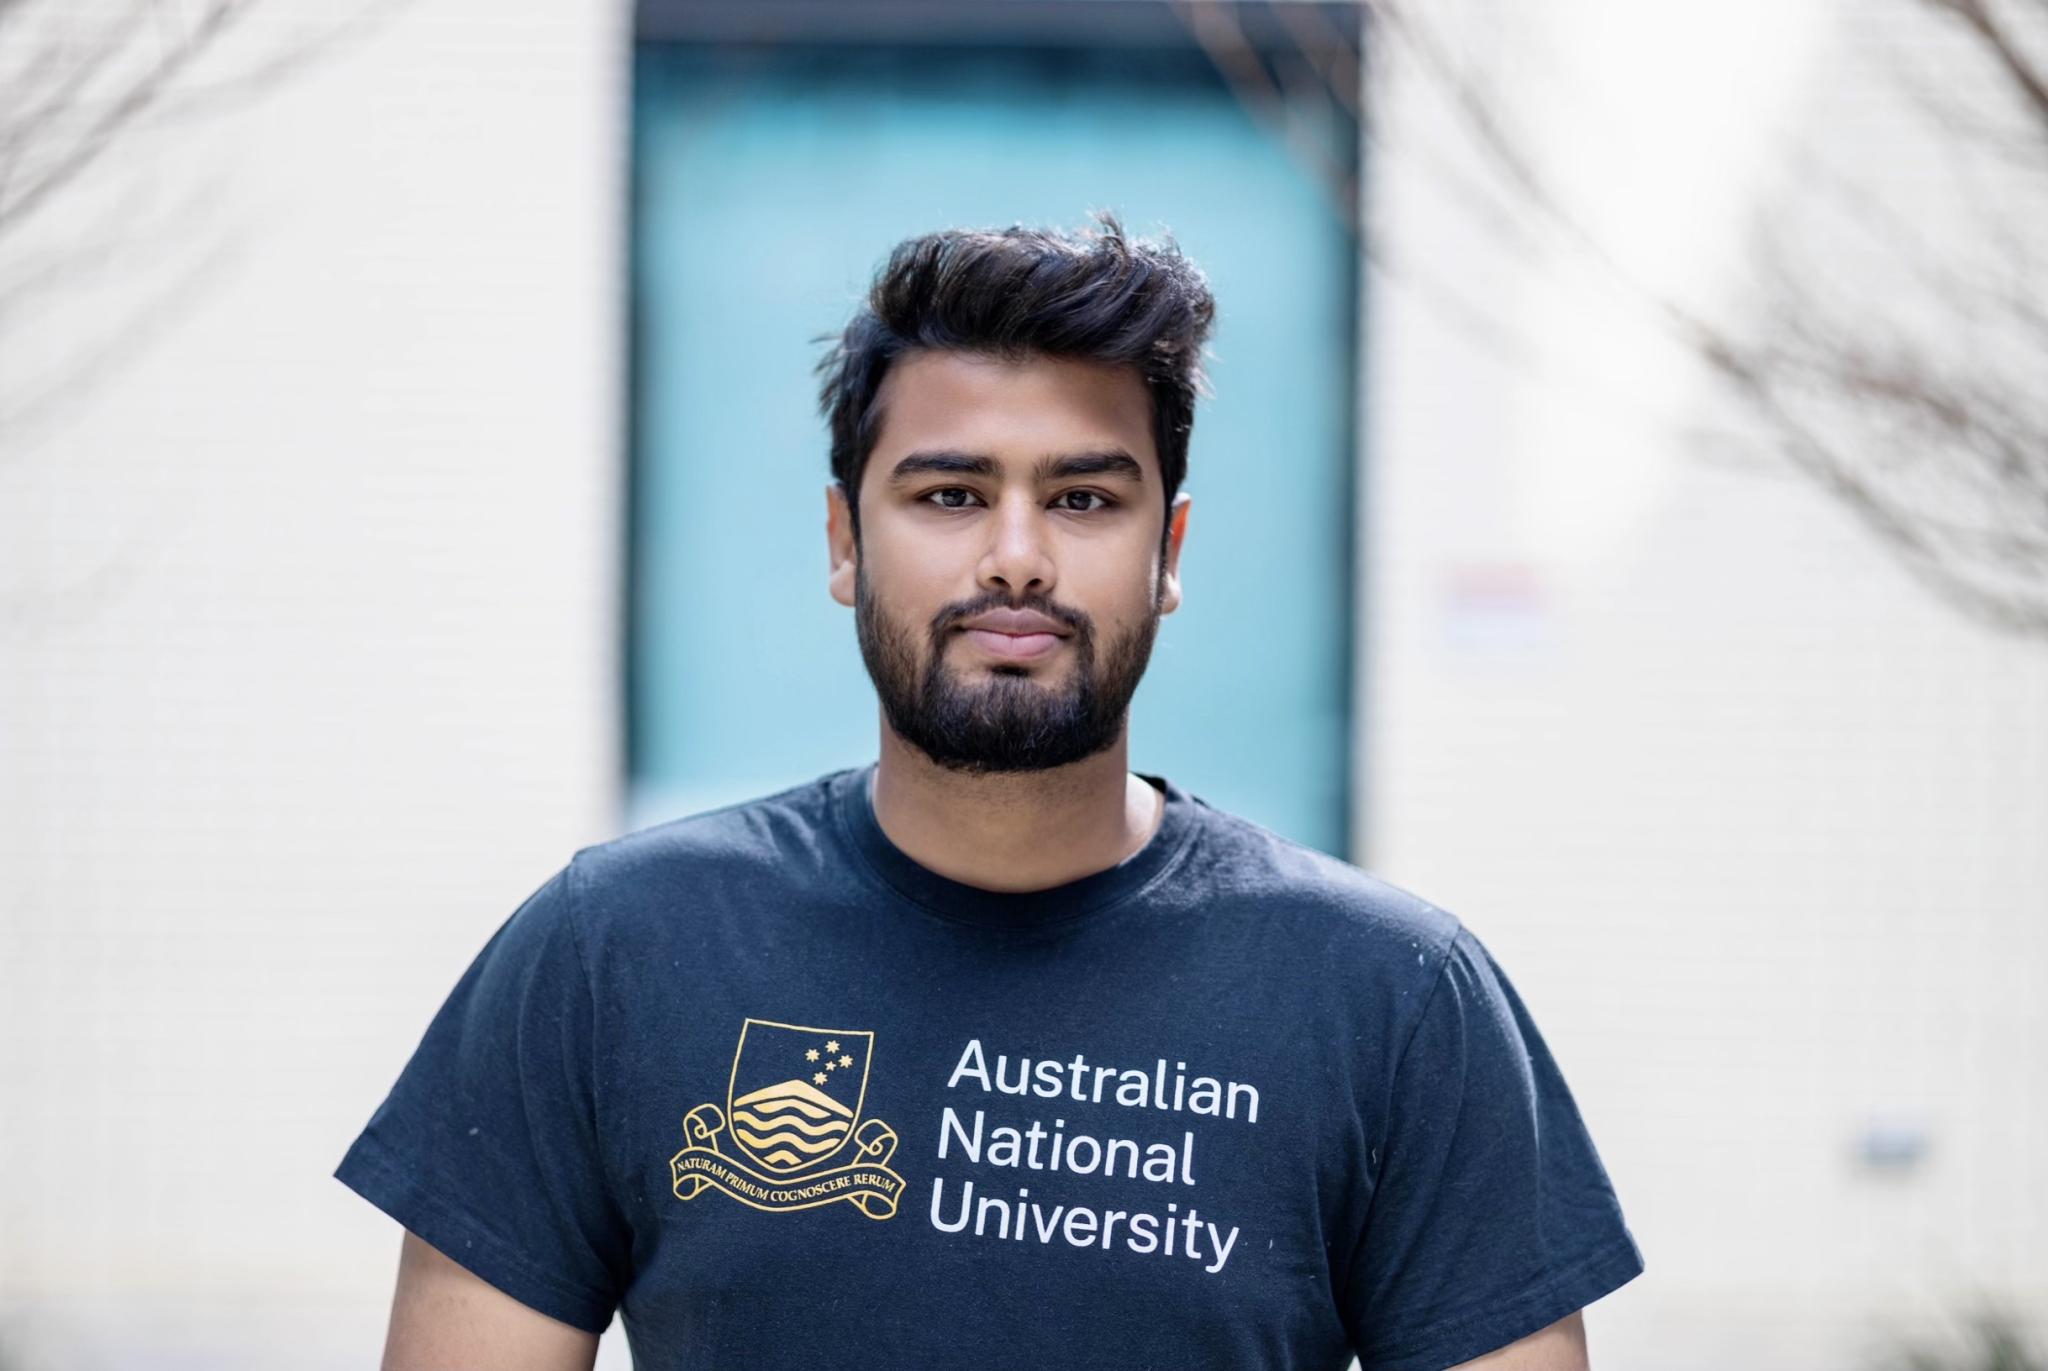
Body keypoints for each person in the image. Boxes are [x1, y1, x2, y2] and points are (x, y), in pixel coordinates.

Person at [335, 212, 1644, 1371]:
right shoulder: (611, 952)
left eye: (1082, 498)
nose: (1016, 559)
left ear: (1167, 553)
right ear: (846, 540)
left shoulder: (1395, 1001)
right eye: (950, 494)